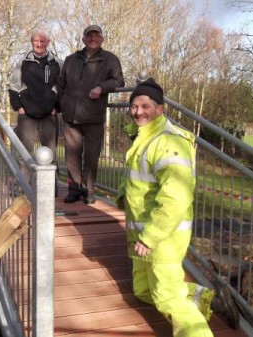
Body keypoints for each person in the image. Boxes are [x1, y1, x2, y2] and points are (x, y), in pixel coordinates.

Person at [116, 78, 239, 336]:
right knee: (143, 291)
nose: (138, 112)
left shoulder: (169, 142)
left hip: (163, 236)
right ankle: (207, 300)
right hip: (142, 233)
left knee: (167, 297)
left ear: (160, 109)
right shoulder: (144, 136)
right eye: (134, 106)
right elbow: (140, 178)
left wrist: (151, 237)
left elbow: (175, 197)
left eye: (145, 106)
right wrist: (122, 197)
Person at [57, 24, 125, 204]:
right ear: (83, 39)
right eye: (89, 36)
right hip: (71, 117)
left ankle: (89, 190)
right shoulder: (71, 59)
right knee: (71, 156)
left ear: (102, 39)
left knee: (91, 156)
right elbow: (61, 85)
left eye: (96, 36)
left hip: (94, 117)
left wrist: (101, 88)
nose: (93, 39)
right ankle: (74, 189)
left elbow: (119, 81)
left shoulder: (110, 59)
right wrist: (63, 104)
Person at [9, 28, 62, 191]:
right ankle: (23, 187)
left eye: (42, 41)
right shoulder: (23, 62)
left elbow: (62, 86)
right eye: (35, 41)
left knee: (50, 152)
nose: (38, 44)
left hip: (49, 114)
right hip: (27, 115)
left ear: (48, 43)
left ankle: (50, 187)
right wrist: (18, 107)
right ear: (32, 43)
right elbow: (13, 86)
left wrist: (56, 107)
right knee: (25, 153)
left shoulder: (58, 63)